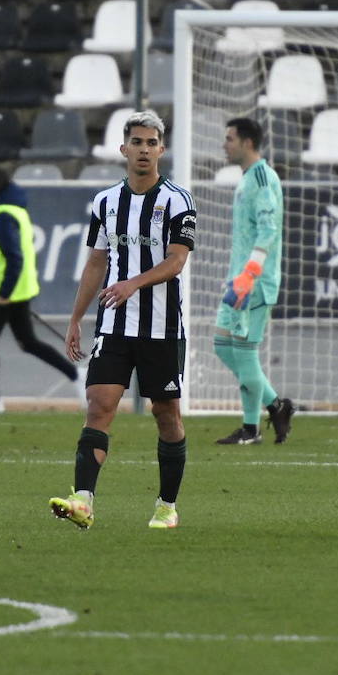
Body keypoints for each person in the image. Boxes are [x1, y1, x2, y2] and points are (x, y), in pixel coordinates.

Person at [48, 110, 196, 530]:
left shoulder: (178, 200)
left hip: (162, 327)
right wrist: (76, 317)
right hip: (114, 324)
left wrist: (134, 283)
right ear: (123, 149)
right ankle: (83, 500)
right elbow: (96, 261)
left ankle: (167, 506)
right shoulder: (106, 202)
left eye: (152, 142)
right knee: (99, 405)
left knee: (166, 413)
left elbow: (177, 260)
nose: (144, 149)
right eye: (137, 142)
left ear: (161, 150)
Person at [0, 168, 85, 413]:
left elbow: (14, 258)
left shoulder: (1, 216)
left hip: (5, 293)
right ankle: (76, 375)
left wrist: (3, 293)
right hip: (18, 290)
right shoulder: (13, 211)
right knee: (28, 342)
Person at [212, 118, 296, 446]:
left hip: (254, 282)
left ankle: (251, 429)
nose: (225, 144)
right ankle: (276, 405)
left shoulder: (261, 177)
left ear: (247, 142)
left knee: (245, 352)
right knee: (222, 345)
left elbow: (269, 229)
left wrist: (250, 273)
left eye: (230, 138)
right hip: (240, 280)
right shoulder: (249, 178)